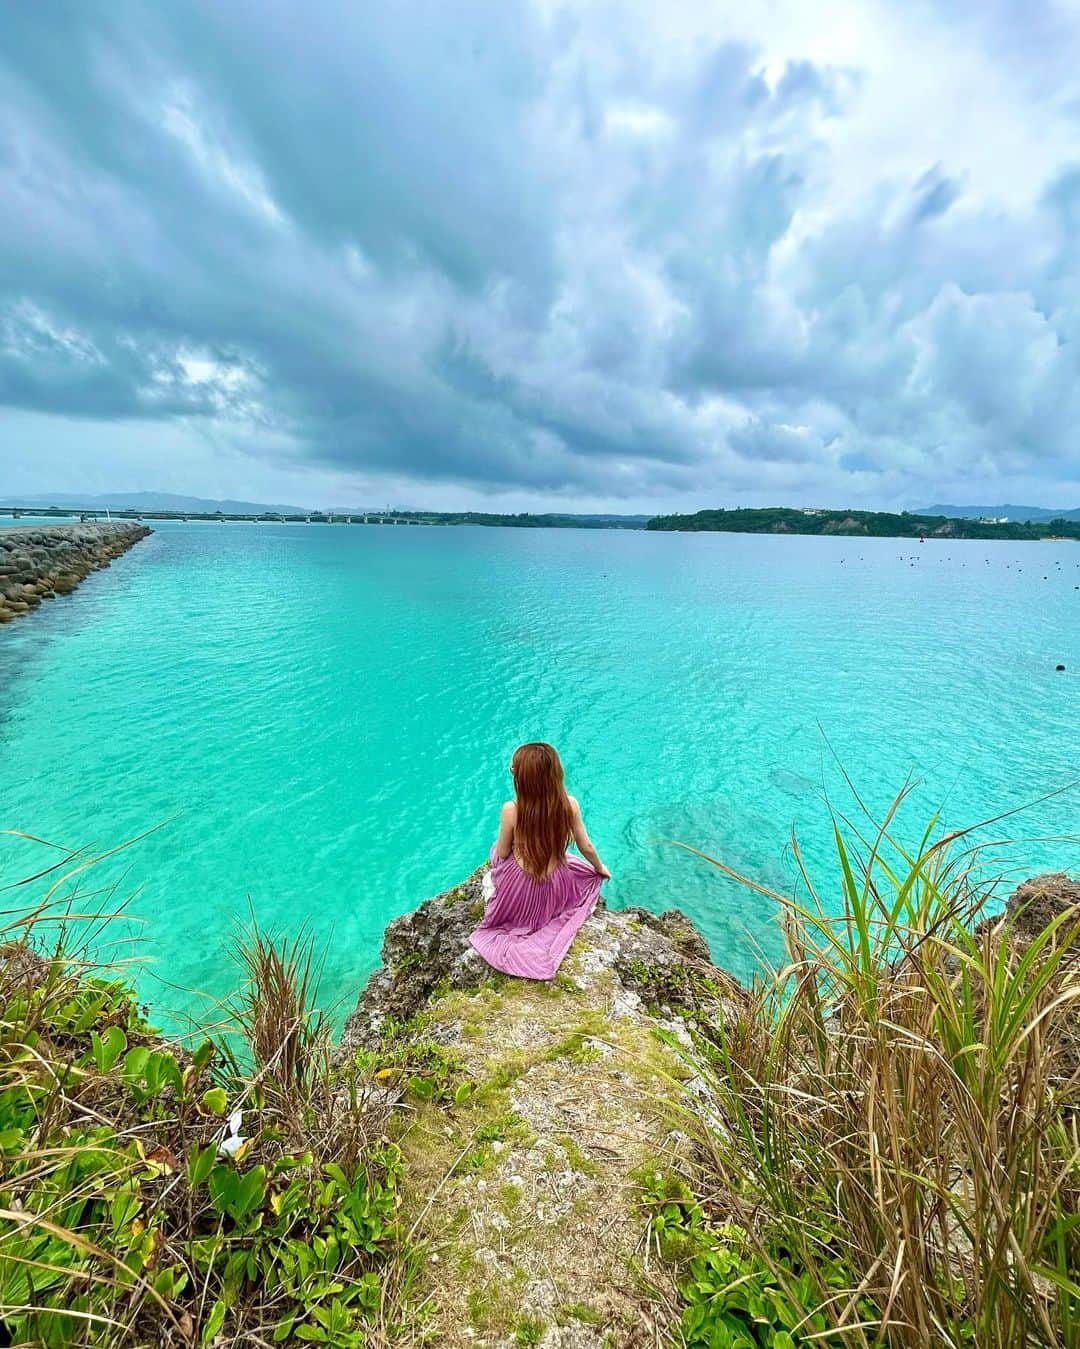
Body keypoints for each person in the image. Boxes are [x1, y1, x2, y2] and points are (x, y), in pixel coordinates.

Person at [469, 742, 610, 980]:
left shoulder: (511, 810)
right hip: (557, 884)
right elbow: (586, 846)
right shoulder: (570, 804)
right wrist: (599, 868)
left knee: (496, 851)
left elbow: (503, 852)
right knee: (571, 862)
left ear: (522, 779)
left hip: (522, 888)